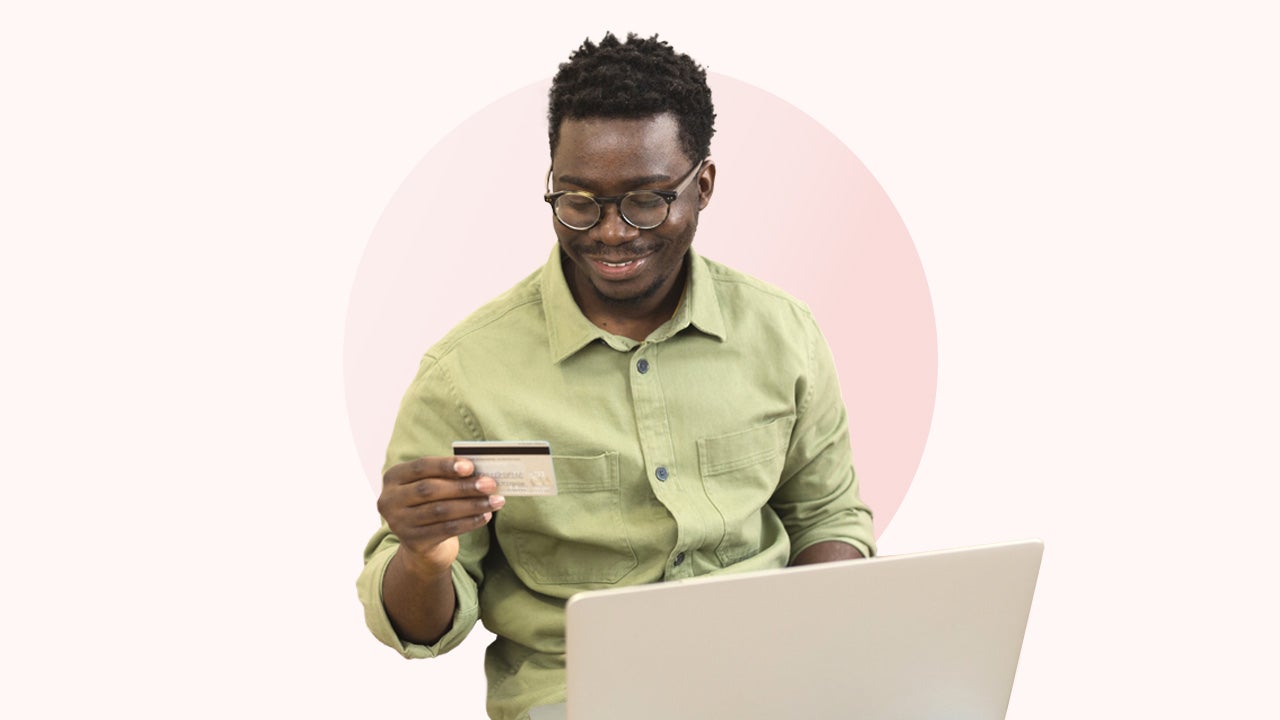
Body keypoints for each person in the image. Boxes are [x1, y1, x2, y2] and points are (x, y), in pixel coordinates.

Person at [357, 32, 876, 720]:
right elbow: (417, 627)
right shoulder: (465, 376)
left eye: (646, 200)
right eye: (578, 201)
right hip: (578, 698)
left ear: (705, 185)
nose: (610, 232)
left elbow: (824, 517)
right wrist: (424, 557)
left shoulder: (784, 335)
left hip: (771, 686)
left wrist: (827, 660)